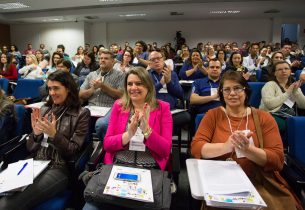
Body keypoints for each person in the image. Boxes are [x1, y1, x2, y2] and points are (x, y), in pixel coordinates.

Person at [191, 70, 299, 210]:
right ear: (221, 93)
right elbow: (196, 148)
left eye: (237, 88)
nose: (232, 93)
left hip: (257, 181)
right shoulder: (212, 115)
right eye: (227, 89)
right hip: (219, 182)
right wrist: (226, 146)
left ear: (246, 91)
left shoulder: (264, 118)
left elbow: (277, 160)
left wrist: (249, 150)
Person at [83, 66, 172, 210]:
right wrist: (128, 134)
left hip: (149, 170)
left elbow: (165, 150)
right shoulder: (119, 106)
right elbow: (107, 145)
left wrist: (146, 131)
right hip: (118, 166)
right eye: (130, 84)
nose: (133, 87)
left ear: (148, 86)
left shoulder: (163, 108)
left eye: (139, 83)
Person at [0, 71, 90, 210]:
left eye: (56, 88)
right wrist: (35, 135)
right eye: (49, 88)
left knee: (6, 205)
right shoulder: (44, 109)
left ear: (68, 88)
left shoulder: (81, 113)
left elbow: (73, 151)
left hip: (58, 167)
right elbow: (30, 148)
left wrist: (54, 135)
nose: (52, 92)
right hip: (34, 163)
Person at [260, 61, 305, 141]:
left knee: (297, 124)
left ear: (290, 71)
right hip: (272, 115)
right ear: (274, 73)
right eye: (280, 69)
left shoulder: (294, 85)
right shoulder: (270, 85)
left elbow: (303, 105)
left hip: (291, 117)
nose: (283, 71)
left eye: (286, 68)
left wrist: (296, 91)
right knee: (290, 125)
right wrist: (288, 92)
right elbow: (270, 104)